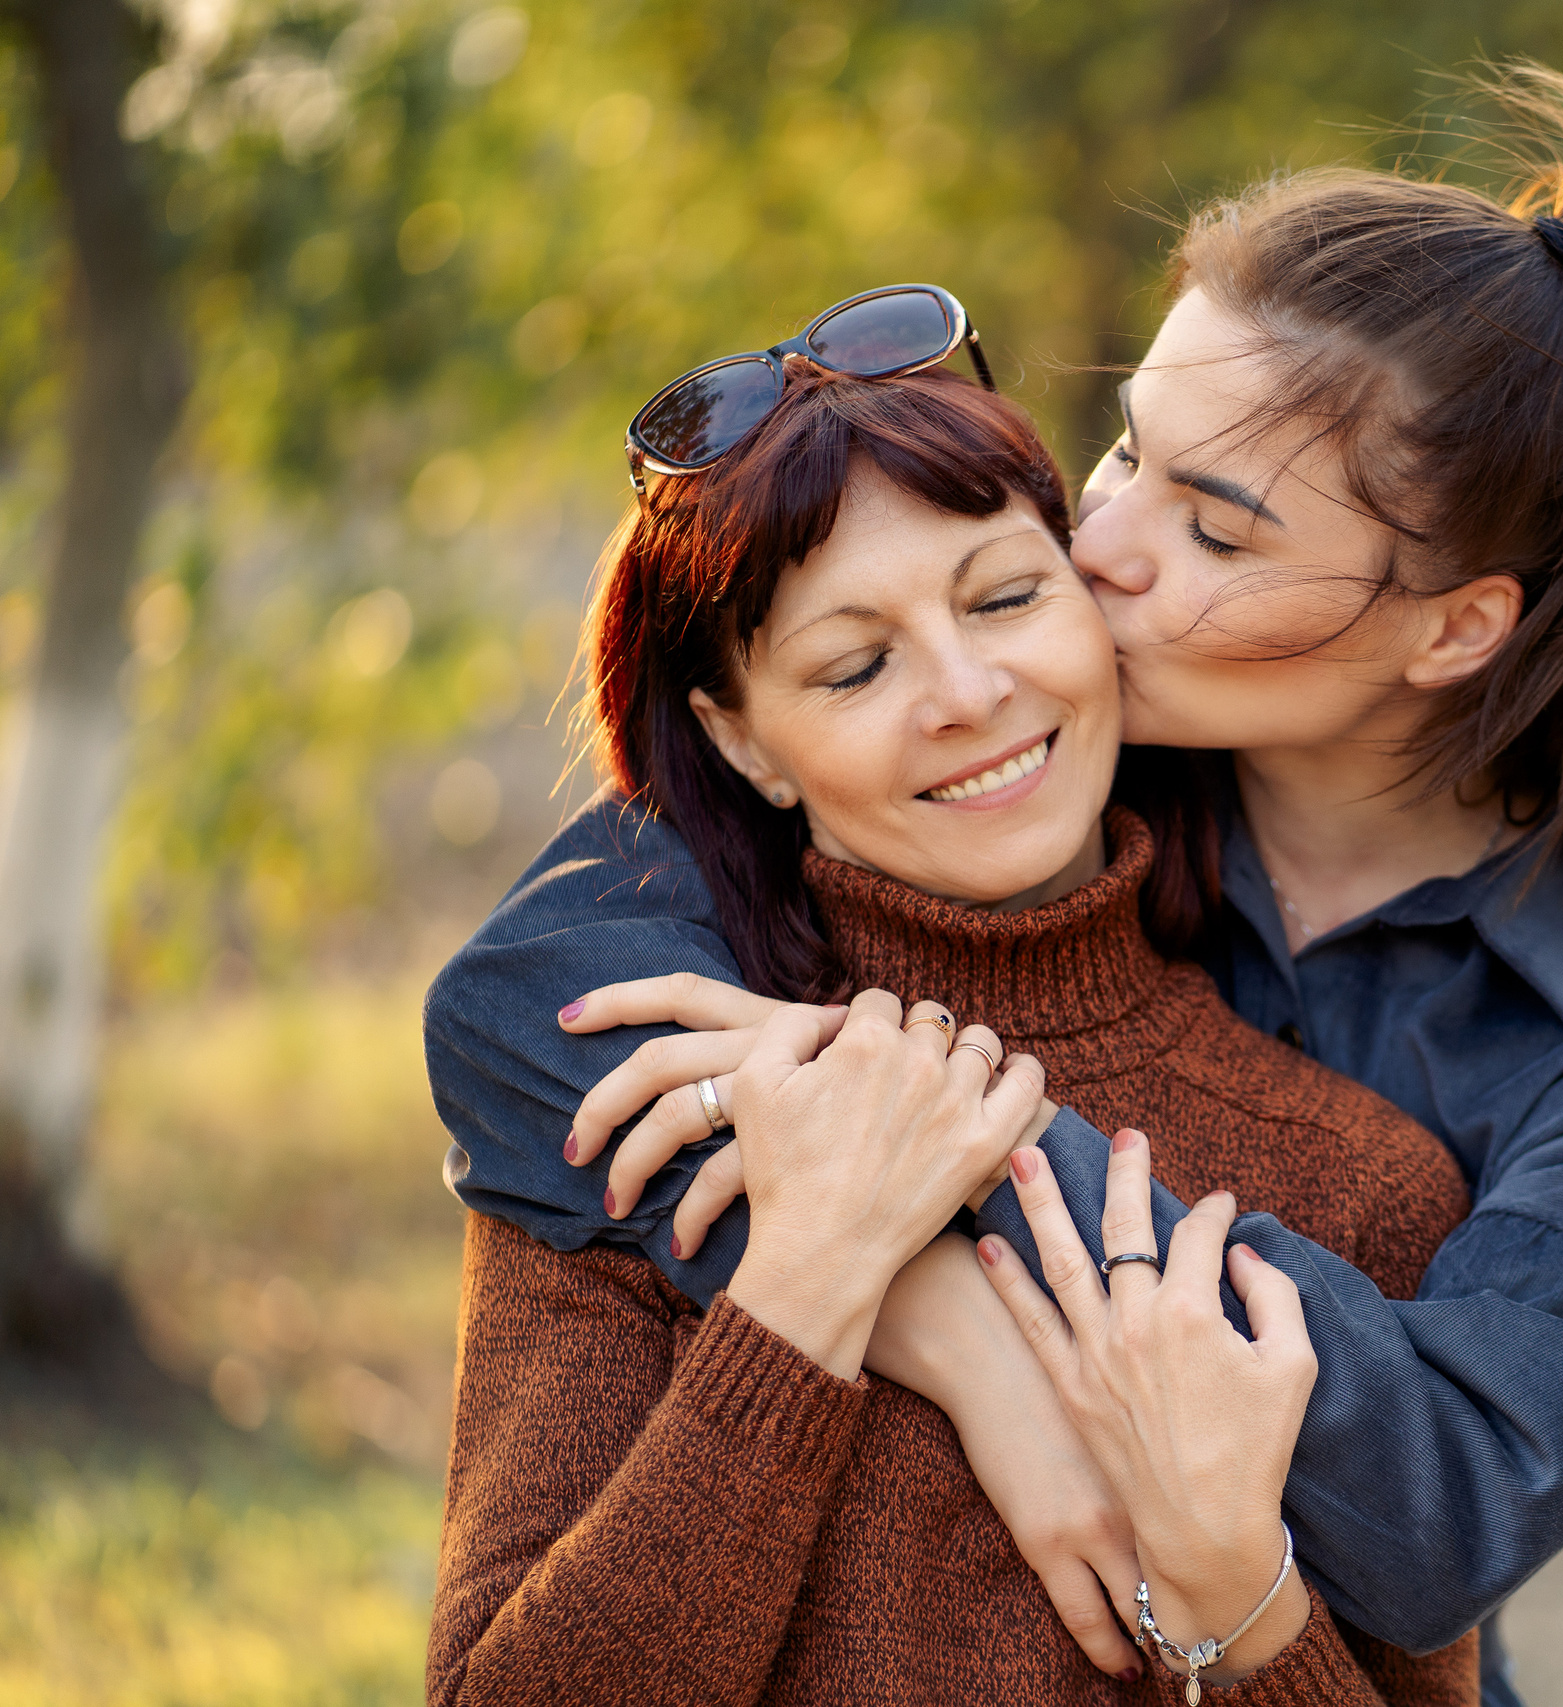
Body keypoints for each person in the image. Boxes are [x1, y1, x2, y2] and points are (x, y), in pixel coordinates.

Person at [427, 66, 1563, 1707]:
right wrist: (933, 1315)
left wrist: (922, 1121)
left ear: (1454, 628)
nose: (1101, 544)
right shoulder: (1016, 756)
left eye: (1215, 530)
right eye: (1130, 450)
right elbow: (519, 1015)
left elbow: (1442, 1505)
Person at [429, 356, 1481, 1705]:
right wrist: (810, 1283)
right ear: (743, 744)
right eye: (854, 666)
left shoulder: (1364, 1178)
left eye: (1005, 598)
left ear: (1095, 601)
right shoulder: (659, 1105)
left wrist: (1234, 1589)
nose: (967, 691)